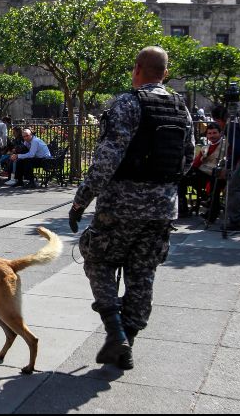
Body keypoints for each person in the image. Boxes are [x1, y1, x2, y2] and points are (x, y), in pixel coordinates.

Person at [68, 46, 194, 370]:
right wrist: (162, 190)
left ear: (137, 69)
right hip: (161, 211)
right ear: (165, 73)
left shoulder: (128, 103)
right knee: (143, 274)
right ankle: (128, 342)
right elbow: (188, 157)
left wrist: (81, 201)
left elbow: (106, 160)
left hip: (119, 208)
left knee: (97, 258)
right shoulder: (182, 107)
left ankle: (116, 333)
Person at [178, 122, 222, 218]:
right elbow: (196, 163)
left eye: (214, 133)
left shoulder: (224, 146)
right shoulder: (205, 148)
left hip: (216, 175)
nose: (212, 136)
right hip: (202, 174)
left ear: (220, 133)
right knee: (182, 178)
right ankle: (182, 207)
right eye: (209, 133)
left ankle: (209, 206)